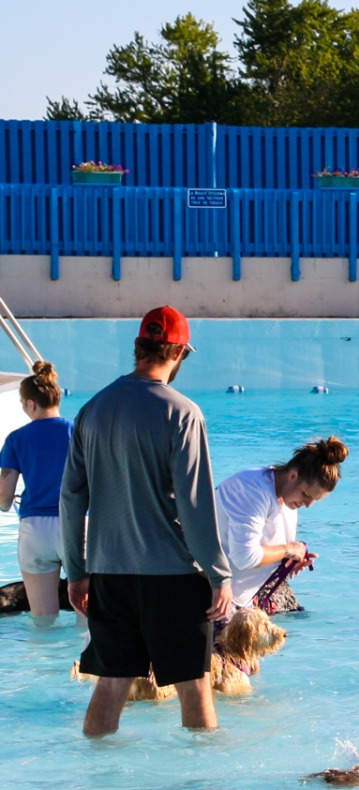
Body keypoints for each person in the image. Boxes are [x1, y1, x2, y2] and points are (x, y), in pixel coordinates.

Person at [59, 307, 233, 736]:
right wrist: (219, 574)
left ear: (140, 348)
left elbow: (69, 498)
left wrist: (77, 572)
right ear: (178, 352)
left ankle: (95, 784)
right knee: (195, 685)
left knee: (111, 682)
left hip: (108, 572)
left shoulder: (92, 410)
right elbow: (195, 504)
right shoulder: (183, 413)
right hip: (172, 574)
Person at [214, 437, 348, 615]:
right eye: (306, 495)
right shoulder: (252, 490)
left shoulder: (287, 497)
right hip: (212, 593)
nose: (307, 504)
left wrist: (286, 562)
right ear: (293, 475)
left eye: (314, 500)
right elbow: (244, 557)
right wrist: (288, 549)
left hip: (239, 599)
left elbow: (265, 549)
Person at [0, 360, 73, 625]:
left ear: (31, 403)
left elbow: (4, 499)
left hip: (35, 530)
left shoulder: (16, 439)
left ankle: (45, 665)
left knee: (42, 620)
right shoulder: (79, 432)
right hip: (76, 526)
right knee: (89, 618)